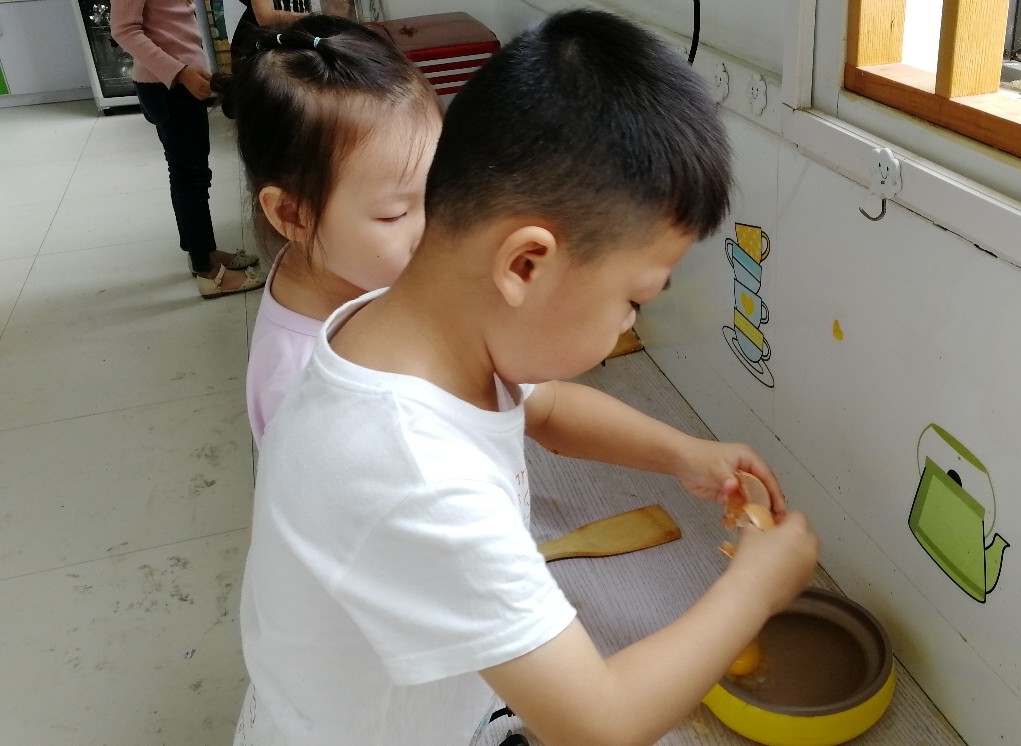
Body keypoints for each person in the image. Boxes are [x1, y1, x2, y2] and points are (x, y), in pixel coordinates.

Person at [236, 8, 820, 746]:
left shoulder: (406, 321)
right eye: (633, 300)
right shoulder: (417, 473)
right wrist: (755, 588)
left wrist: (683, 453)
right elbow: (600, 723)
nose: (628, 323)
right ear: (524, 264)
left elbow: (544, 409)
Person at [223, 16, 441, 445]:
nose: (436, 229)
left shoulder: (348, 263)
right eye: (395, 214)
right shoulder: (306, 390)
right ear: (292, 215)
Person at [110, 0, 265, 299]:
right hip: (169, 86)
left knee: (190, 175)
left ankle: (202, 252)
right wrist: (181, 72)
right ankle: (209, 274)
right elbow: (124, 30)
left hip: (178, 82)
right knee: (190, 178)